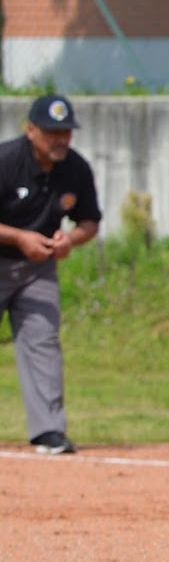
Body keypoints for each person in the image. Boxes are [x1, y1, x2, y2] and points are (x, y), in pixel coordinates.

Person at [0, 93, 101, 455]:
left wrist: (69, 240)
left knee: (43, 343)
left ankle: (48, 431)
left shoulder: (75, 168)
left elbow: (90, 221)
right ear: (31, 130)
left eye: (66, 131)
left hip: (38, 268)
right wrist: (20, 237)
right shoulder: (6, 162)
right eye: (51, 131)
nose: (60, 139)